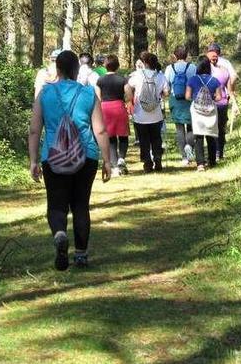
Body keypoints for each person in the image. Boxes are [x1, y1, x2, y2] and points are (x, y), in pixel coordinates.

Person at [29, 51, 112, 270]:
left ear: (58, 69)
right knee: (80, 205)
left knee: (56, 203)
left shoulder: (45, 94)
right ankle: (82, 255)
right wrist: (107, 160)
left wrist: (33, 160)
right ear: (77, 70)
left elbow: (34, 130)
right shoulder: (88, 93)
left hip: (53, 157)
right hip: (86, 156)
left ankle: (59, 233)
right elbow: (100, 130)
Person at [126, 51, 169, 172]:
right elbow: (166, 93)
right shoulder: (160, 76)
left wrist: (129, 100)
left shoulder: (138, 75)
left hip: (140, 114)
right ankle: (158, 158)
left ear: (145, 63)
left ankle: (147, 164)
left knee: (144, 140)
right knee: (156, 138)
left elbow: (127, 86)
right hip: (156, 114)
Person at [185, 56, 222, 171]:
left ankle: (200, 164)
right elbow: (219, 97)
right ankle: (212, 161)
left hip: (197, 111)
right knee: (211, 136)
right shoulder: (215, 80)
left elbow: (187, 96)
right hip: (211, 111)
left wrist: (196, 99)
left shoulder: (192, 79)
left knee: (198, 136)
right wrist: (211, 99)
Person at [95, 55, 130, 176]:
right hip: (119, 107)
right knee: (123, 134)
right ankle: (122, 158)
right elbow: (129, 95)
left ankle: (115, 166)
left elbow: (97, 98)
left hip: (105, 108)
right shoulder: (122, 79)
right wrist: (124, 101)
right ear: (118, 66)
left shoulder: (100, 80)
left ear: (105, 65)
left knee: (111, 137)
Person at [164, 46, 197, 166]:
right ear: (186, 54)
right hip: (190, 98)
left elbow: (166, 86)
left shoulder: (169, 68)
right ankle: (190, 147)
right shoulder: (192, 67)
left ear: (175, 55)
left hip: (175, 99)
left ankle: (184, 156)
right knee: (191, 126)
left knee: (179, 128)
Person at [207, 44, 235, 161]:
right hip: (223, 100)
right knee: (221, 127)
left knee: (211, 127)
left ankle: (213, 153)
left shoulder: (205, 66)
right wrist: (231, 93)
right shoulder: (225, 65)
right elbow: (233, 77)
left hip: (209, 101)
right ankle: (219, 152)